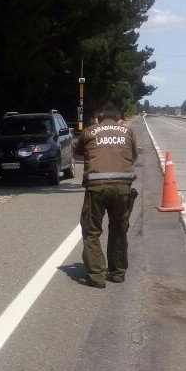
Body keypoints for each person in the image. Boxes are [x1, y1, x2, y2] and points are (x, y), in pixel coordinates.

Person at [74, 104, 138, 288]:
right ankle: (117, 273)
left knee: (92, 230)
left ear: (97, 119)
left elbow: (78, 154)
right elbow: (133, 157)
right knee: (119, 229)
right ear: (119, 120)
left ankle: (96, 276)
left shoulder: (89, 131)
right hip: (123, 188)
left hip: (96, 187)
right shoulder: (128, 132)